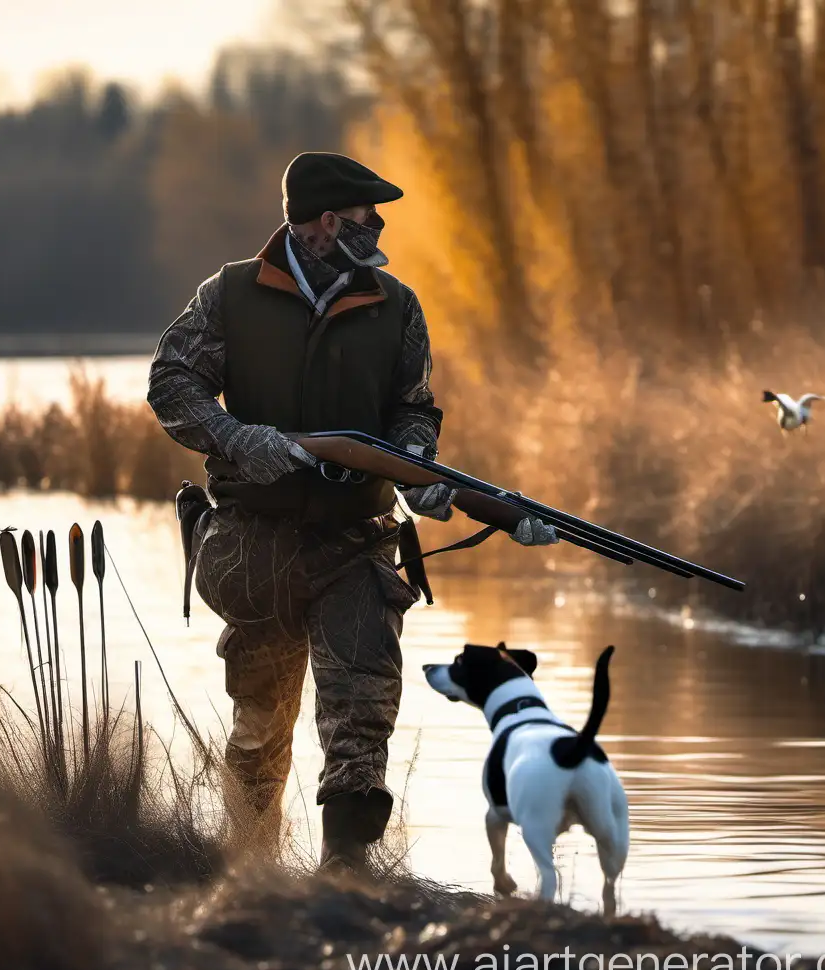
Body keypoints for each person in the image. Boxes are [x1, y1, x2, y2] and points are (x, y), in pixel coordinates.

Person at [147, 151, 557, 874]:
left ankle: (346, 874)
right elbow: (171, 382)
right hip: (254, 546)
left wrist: (417, 467)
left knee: (361, 709)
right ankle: (251, 875)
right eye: (368, 214)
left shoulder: (395, 305)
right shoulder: (231, 295)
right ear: (329, 222)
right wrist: (243, 440)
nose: (380, 224)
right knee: (260, 726)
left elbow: (413, 407)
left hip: (357, 543)